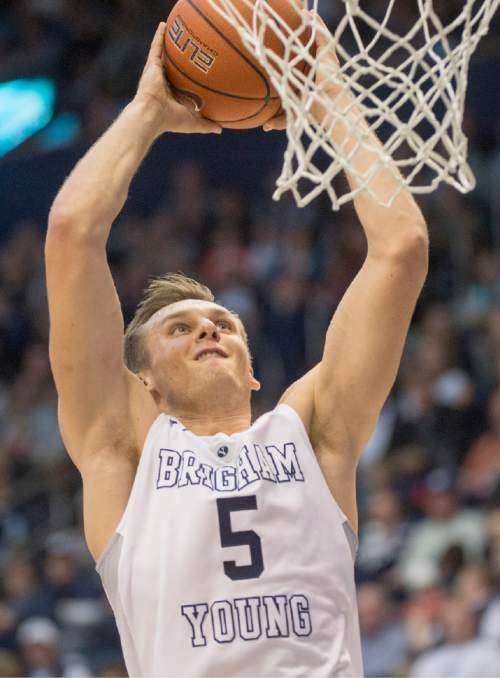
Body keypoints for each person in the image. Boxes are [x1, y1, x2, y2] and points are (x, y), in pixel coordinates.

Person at [45, 13, 428, 678]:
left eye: (223, 323)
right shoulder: (124, 457)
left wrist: (329, 98)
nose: (209, 329)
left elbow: (403, 250)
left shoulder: (310, 434)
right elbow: (72, 233)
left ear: (254, 374)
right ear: (146, 384)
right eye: (180, 328)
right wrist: (148, 111)